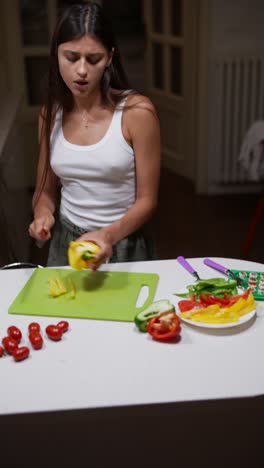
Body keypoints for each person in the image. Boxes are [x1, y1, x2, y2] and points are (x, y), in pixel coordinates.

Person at [28, 2, 160, 270]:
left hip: (123, 241)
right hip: (66, 242)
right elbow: (46, 189)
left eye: (94, 59)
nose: (82, 71)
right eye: (71, 57)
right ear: (56, 55)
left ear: (110, 58)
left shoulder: (137, 113)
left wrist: (107, 235)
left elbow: (148, 201)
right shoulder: (49, 114)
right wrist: (42, 213)